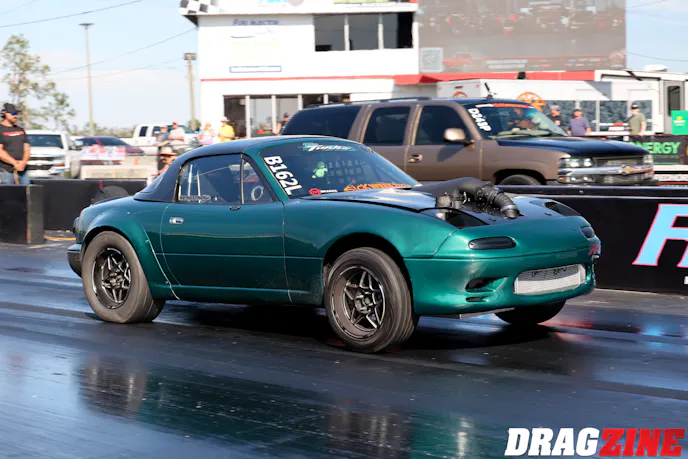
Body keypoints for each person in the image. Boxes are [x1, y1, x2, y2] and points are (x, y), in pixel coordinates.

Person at [0, 103, 31, 185]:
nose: (15, 116)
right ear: (4, 114)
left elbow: (27, 148)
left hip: (23, 172)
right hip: (6, 172)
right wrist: (15, 163)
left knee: (26, 192)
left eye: (16, 113)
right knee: (8, 193)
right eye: (13, 113)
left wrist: (24, 162)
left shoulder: (20, 130)